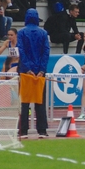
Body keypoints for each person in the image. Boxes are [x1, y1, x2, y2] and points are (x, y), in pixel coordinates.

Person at [17, 8, 50, 138]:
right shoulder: (43, 33)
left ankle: (23, 130)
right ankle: (42, 130)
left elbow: (21, 51)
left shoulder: (21, 32)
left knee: (24, 102)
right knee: (40, 101)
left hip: (25, 72)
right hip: (39, 72)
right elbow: (46, 52)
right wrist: (41, 70)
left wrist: (27, 69)